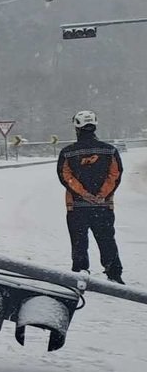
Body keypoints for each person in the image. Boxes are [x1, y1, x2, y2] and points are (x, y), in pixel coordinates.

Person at [56, 110, 124, 284]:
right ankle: (114, 273)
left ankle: (80, 272)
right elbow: (114, 175)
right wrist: (101, 195)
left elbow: (66, 177)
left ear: (77, 128)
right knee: (107, 239)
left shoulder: (67, 153)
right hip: (103, 206)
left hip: (77, 207)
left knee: (79, 242)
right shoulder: (109, 151)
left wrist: (84, 194)